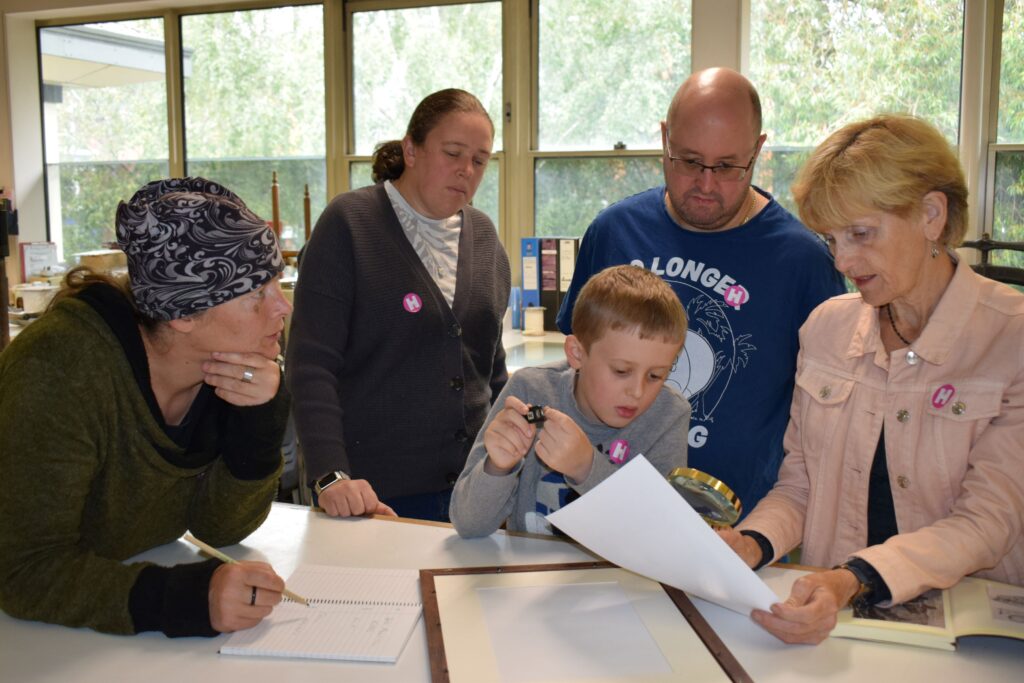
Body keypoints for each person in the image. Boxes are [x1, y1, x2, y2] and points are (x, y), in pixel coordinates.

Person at [720, 114, 1024, 644]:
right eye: (831, 239)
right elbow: (800, 485)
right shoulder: (826, 328)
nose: (842, 260)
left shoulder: (1011, 336)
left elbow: (987, 523)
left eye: (860, 234)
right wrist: (752, 541)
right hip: (831, 622)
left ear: (931, 214)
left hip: (967, 637)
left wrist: (853, 578)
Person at [0, 177, 293, 636]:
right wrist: (185, 599)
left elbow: (220, 528)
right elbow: (23, 571)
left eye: (276, 285)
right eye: (257, 294)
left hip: (96, 628)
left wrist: (259, 421)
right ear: (183, 314)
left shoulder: (224, 368)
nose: (282, 308)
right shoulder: (59, 369)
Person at [557, 68, 845, 513]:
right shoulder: (614, 232)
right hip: (602, 504)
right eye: (689, 161)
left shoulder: (803, 261)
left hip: (739, 526)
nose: (707, 184)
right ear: (665, 139)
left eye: (728, 166)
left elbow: (826, 420)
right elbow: (576, 368)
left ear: (758, 150)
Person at [287, 88, 510, 522]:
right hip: (373, 495)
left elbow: (491, 369)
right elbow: (310, 365)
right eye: (453, 153)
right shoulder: (349, 225)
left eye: (480, 160)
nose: (466, 170)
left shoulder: (484, 237)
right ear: (411, 149)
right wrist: (330, 476)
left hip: (475, 491)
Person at [451, 265, 691, 537]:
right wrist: (497, 467)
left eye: (656, 375)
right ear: (577, 353)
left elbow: (663, 535)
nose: (637, 391)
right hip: (530, 575)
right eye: (621, 371)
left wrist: (587, 467)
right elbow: (469, 525)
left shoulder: (669, 416)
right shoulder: (531, 392)